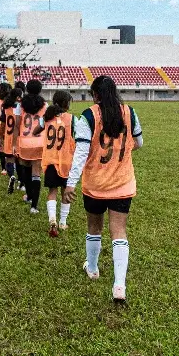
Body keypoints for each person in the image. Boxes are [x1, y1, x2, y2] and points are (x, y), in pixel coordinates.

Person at [63, 75, 143, 302]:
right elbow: (139, 143)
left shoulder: (88, 116)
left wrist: (71, 183)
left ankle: (94, 268)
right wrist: (123, 152)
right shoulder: (130, 112)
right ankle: (119, 285)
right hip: (122, 182)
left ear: (95, 94)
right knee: (119, 231)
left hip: (95, 184)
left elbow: (80, 153)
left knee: (94, 227)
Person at [33, 90, 75, 237]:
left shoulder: (48, 118)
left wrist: (44, 122)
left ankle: (52, 219)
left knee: (52, 191)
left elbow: (35, 131)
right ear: (65, 103)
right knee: (65, 191)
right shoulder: (72, 119)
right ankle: (63, 222)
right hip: (66, 160)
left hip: (50, 159)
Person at [15, 80, 46, 213]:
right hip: (39, 142)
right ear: (40, 90)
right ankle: (34, 205)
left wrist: (14, 144)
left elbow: (17, 126)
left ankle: (29, 195)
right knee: (36, 174)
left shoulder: (20, 105)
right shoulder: (45, 105)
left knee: (26, 171)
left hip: (25, 142)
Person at [0, 87, 23, 194]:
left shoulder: (6, 108)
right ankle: (21, 181)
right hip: (19, 138)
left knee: (9, 159)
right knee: (20, 161)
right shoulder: (22, 108)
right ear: (18, 97)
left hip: (9, 137)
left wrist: (1, 137)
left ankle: (12, 175)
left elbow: (3, 124)